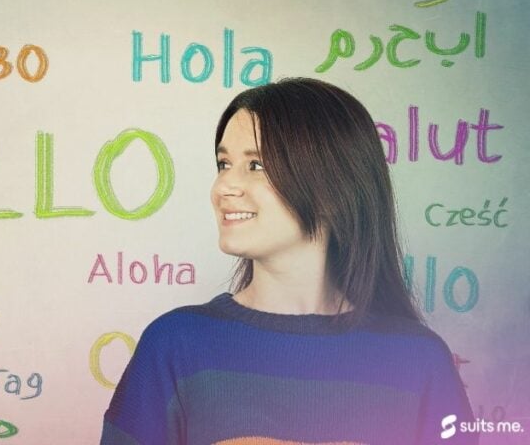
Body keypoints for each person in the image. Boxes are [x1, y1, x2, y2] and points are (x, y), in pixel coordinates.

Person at [100, 78, 478, 444]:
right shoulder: (174, 346)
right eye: (223, 163)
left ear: (333, 187)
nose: (223, 188)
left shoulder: (420, 361)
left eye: (256, 165)